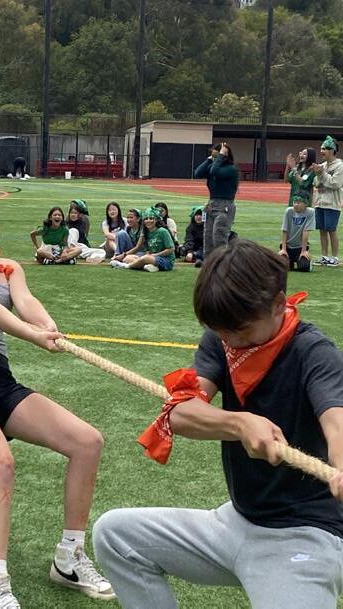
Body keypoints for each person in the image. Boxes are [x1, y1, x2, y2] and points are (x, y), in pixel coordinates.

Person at [94, 239, 343, 609]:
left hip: (304, 537)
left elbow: (336, 421)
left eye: (240, 331)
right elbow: (179, 414)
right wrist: (238, 423)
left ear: (278, 304)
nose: (231, 342)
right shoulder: (223, 338)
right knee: (115, 535)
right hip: (235, 523)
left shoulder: (314, 352)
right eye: (222, 332)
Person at [0, 176, 114, 608]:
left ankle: (69, 557)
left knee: (87, 442)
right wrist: (34, 336)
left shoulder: (8, 266)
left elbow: (25, 302)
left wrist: (47, 325)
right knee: (0, 461)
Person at [194, 142, 238, 262]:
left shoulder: (231, 169)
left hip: (225, 206)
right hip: (212, 204)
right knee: (208, 238)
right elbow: (198, 173)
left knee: (219, 237)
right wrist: (209, 159)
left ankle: (222, 264)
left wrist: (221, 156)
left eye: (217, 153)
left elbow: (215, 172)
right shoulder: (213, 166)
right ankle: (209, 264)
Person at [110, 207, 175, 272]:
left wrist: (155, 255)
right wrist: (148, 254)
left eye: (151, 218)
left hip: (165, 260)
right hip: (151, 257)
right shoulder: (146, 232)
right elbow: (147, 249)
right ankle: (150, 267)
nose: (148, 221)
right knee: (127, 259)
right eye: (146, 219)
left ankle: (125, 266)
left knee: (146, 258)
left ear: (156, 220)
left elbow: (171, 249)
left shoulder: (162, 231)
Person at [311, 135, 343, 266]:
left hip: (332, 204)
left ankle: (334, 257)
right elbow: (316, 182)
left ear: (332, 150)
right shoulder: (322, 165)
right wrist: (319, 175)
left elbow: (335, 183)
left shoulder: (340, 166)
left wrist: (321, 174)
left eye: (324, 149)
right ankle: (324, 256)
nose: (321, 151)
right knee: (322, 230)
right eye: (321, 148)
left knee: (331, 230)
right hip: (320, 202)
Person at [280, 195, 315, 272]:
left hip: (300, 247)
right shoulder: (289, 211)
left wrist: (303, 251)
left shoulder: (310, 212)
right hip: (288, 246)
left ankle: (306, 262)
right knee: (283, 267)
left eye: (298, 203)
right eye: (294, 202)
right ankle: (290, 262)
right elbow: (285, 230)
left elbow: (306, 231)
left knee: (304, 267)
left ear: (305, 204)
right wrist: (283, 249)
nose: (296, 205)